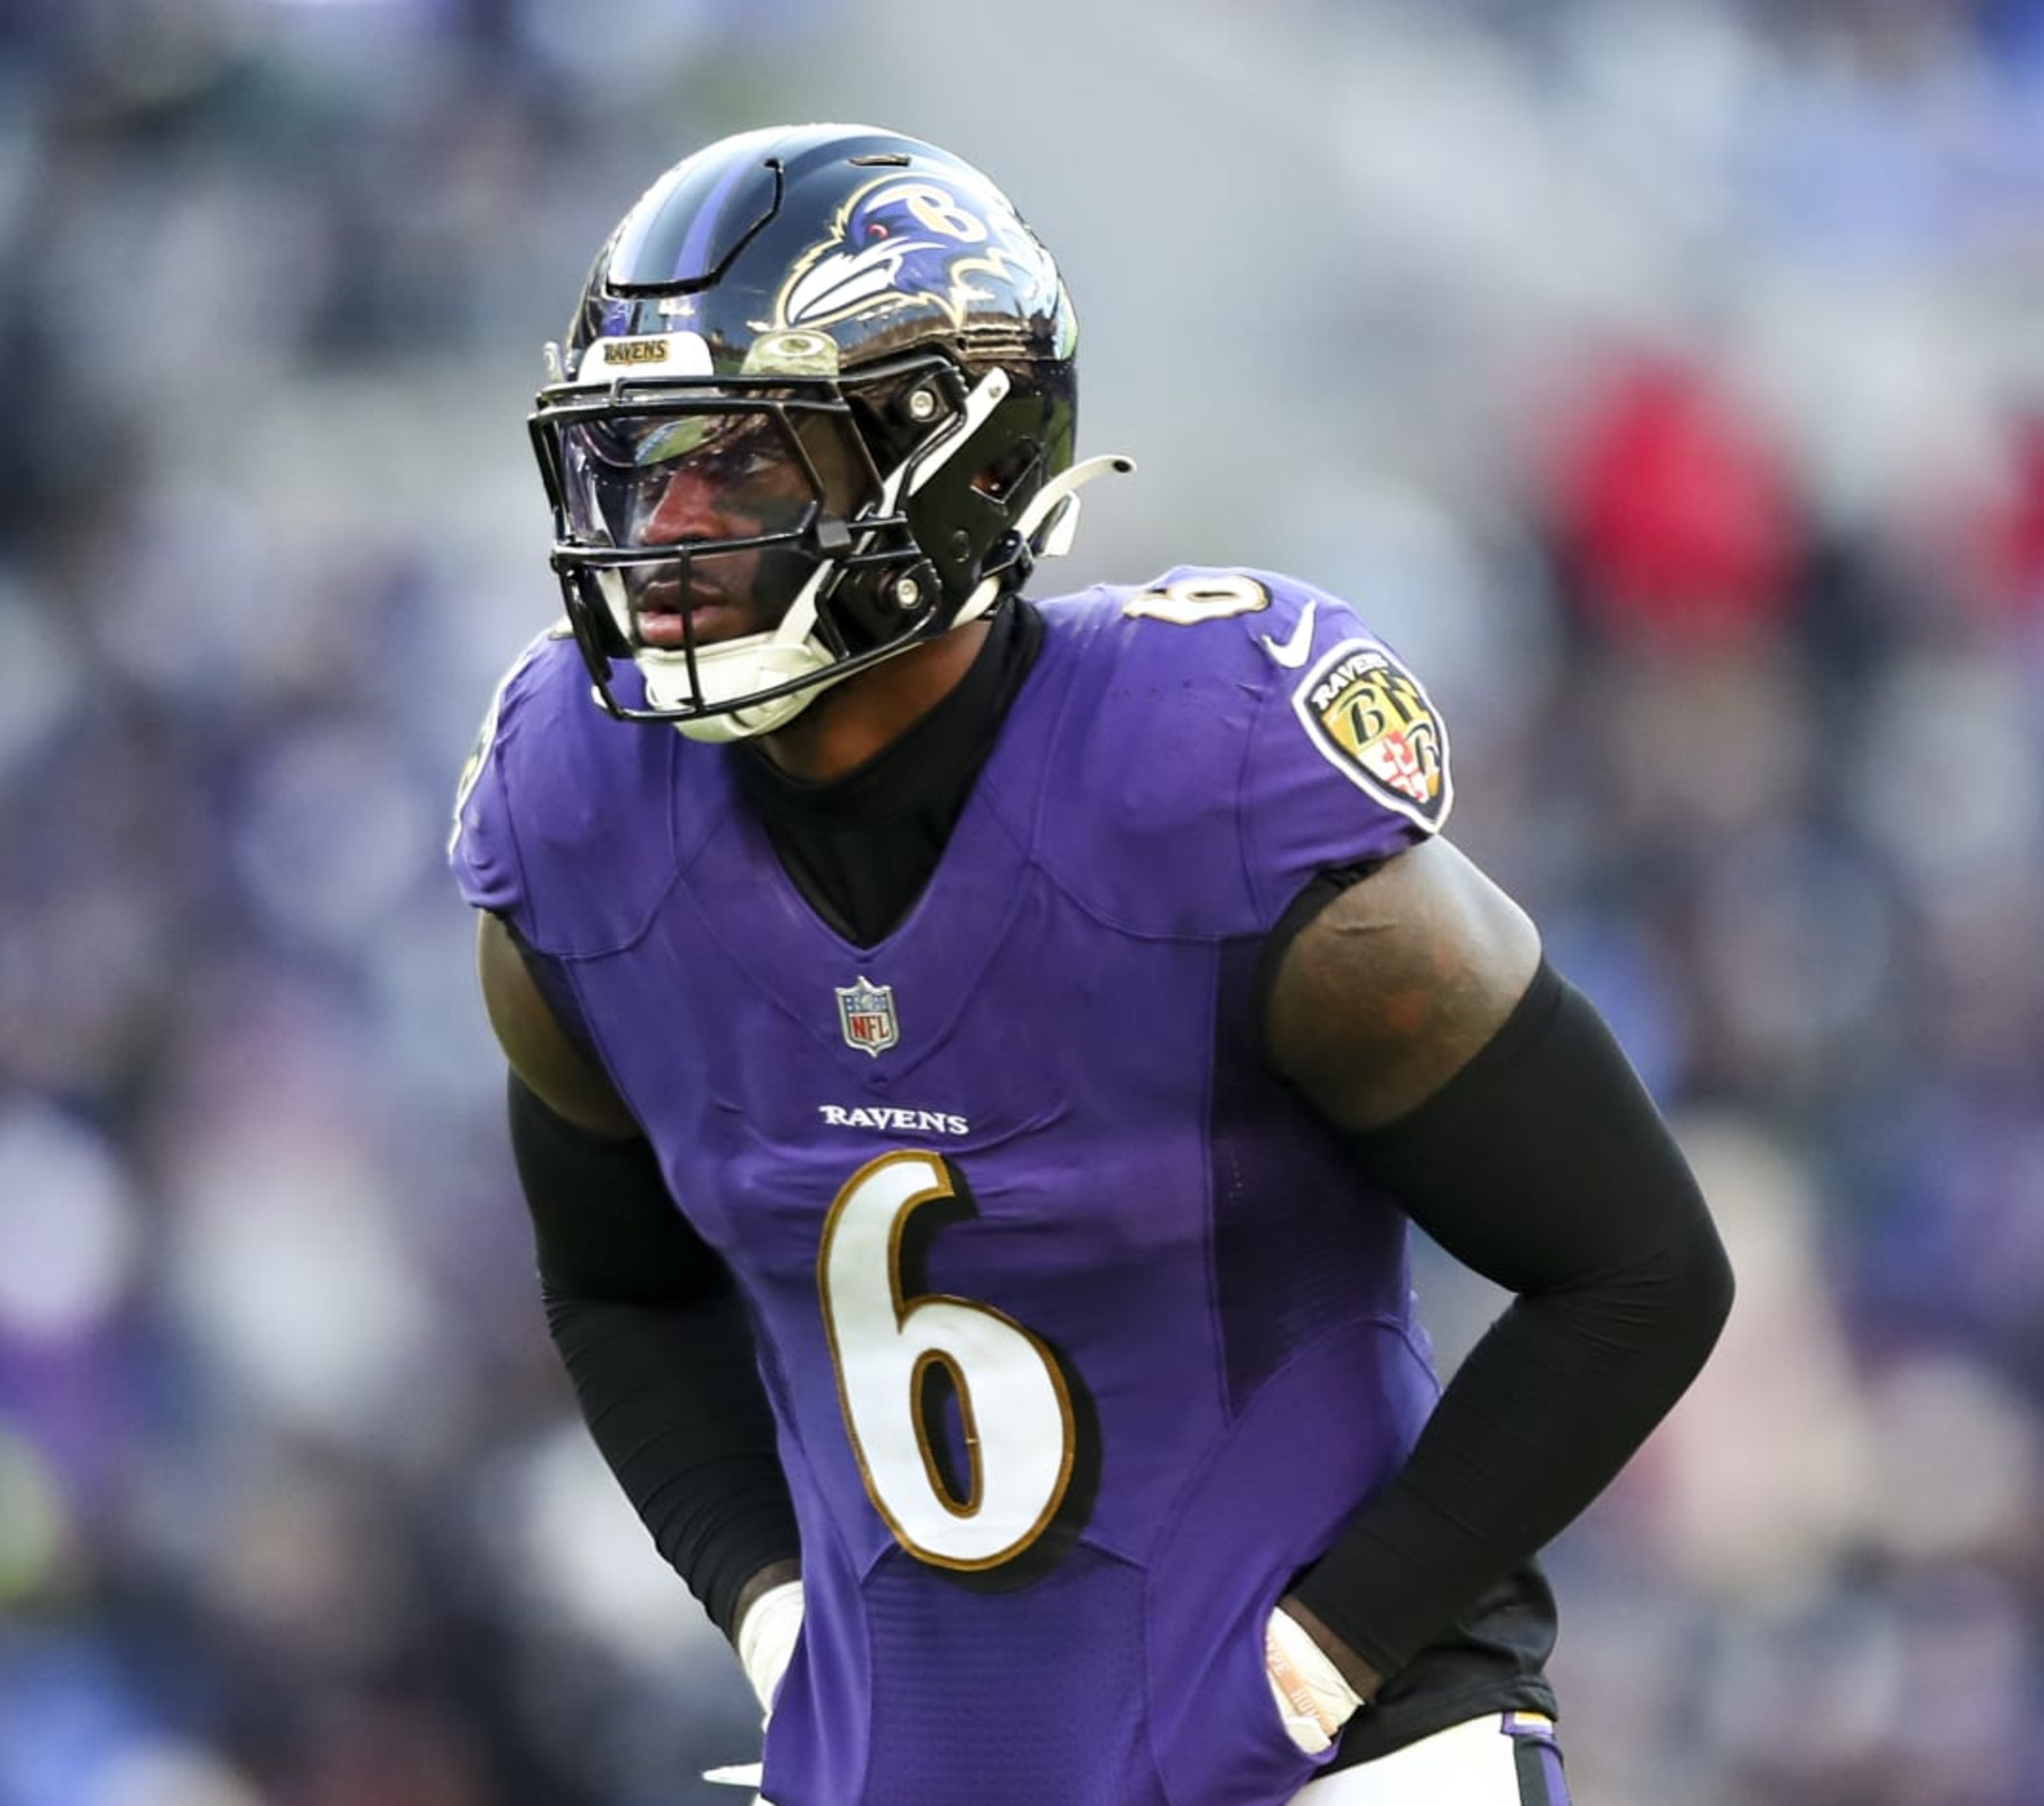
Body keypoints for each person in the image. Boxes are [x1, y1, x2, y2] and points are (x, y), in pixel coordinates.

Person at [446, 123, 1734, 1806]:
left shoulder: (1200, 774)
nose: (663, 529)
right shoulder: (582, 810)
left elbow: (1639, 1271)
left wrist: (1326, 1651)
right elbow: (614, 1287)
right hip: (908, 1762)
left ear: (958, 465)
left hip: (1325, 1770)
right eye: (632, 463)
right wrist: (773, 1619)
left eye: (740, 465)